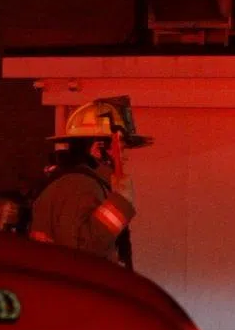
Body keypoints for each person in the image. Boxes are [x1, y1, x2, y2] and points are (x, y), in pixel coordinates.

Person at [28, 97, 147, 267]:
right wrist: (121, 202)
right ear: (98, 149)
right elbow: (82, 256)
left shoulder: (76, 182)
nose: (125, 157)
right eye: (121, 149)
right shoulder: (79, 186)